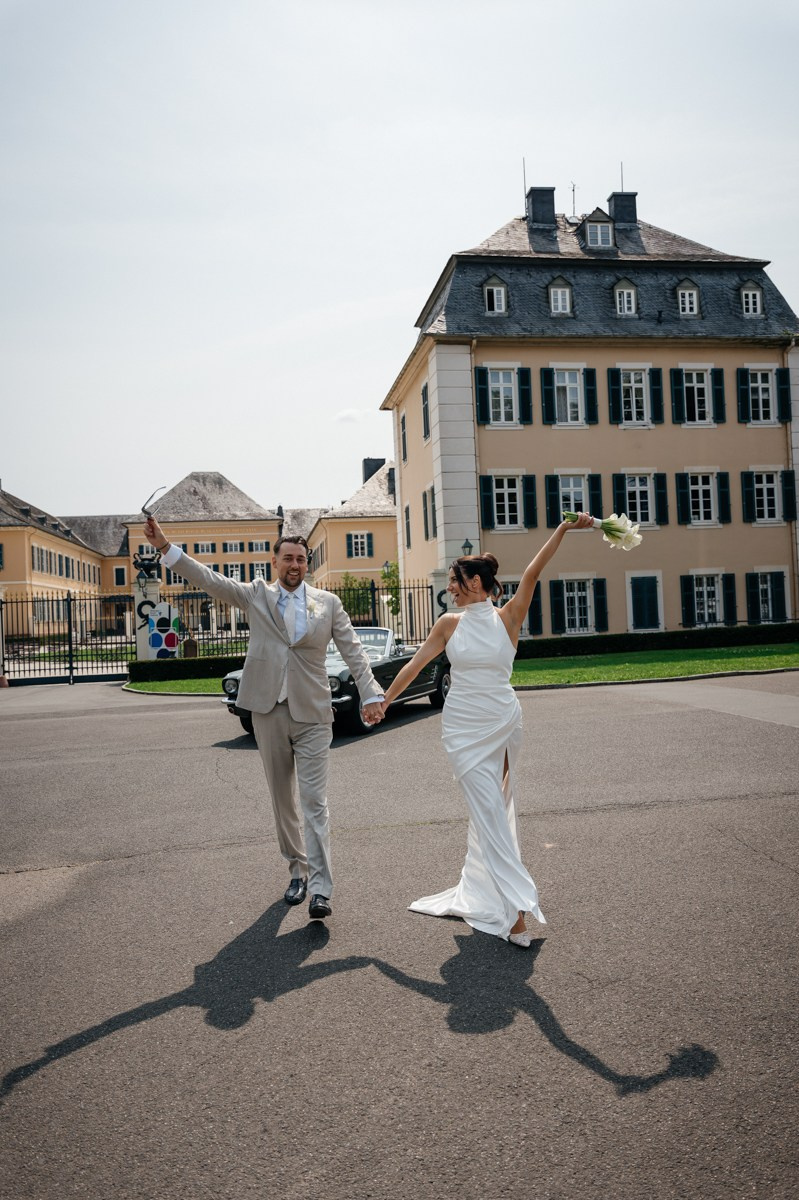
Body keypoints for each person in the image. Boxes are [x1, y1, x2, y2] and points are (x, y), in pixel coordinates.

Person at [143, 517, 385, 920]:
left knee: (314, 802)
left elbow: (354, 651)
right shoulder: (256, 595)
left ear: (308, 565)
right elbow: (210, 580)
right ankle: (298, 869)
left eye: (301, 559)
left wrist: (372, 692)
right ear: (275, 562)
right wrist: (166, 547)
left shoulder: (328, 604)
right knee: (282, 799)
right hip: (268, 711)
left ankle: (321, 889)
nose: (295, 564)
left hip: (313, 714)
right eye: (288, 558)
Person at [379, 513, 595, 947]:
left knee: (495, 812)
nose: (450, 589)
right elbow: (414, 665)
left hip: (503, 722)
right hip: (462, 729)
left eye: (456, 581)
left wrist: (564, 530)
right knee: (489, 813)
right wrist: (383, 702)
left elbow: (534, 570)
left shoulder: (509, 616)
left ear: (476, 582)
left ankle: (487, 893)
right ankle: (515, 913)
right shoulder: (447, 624)